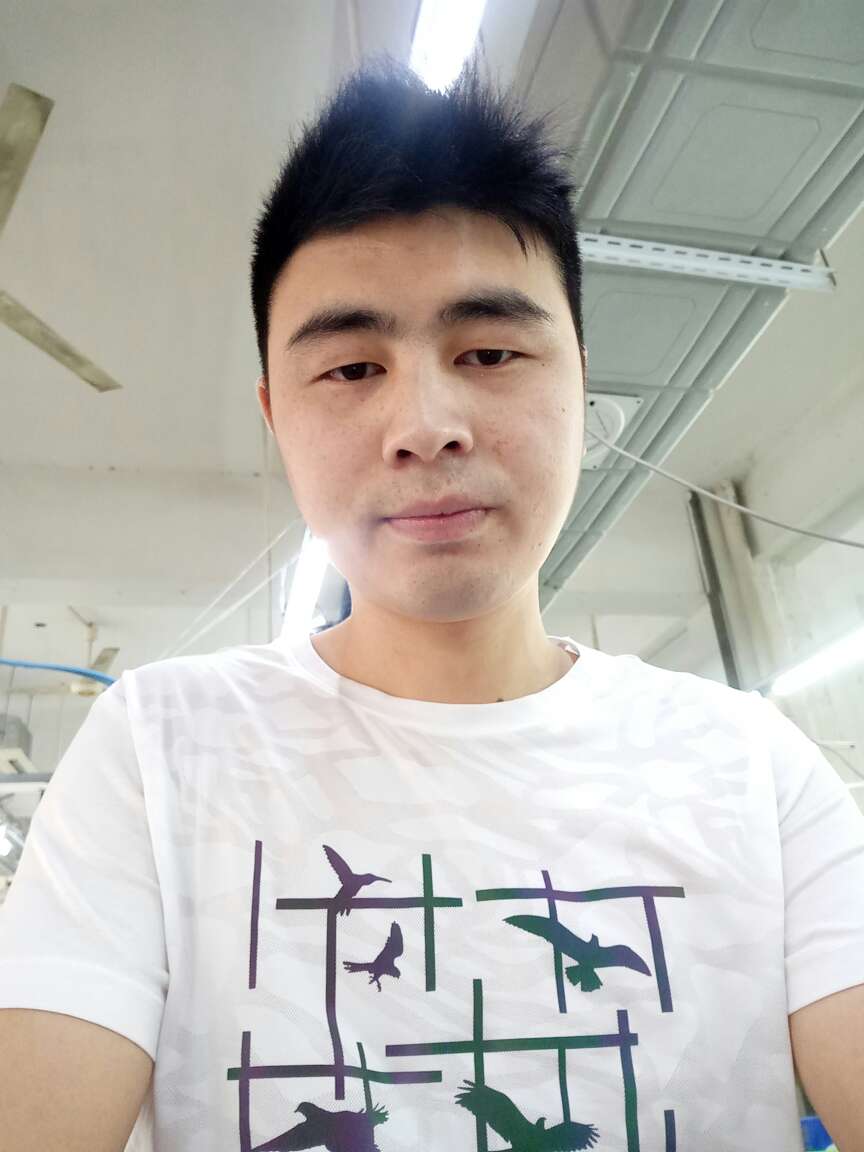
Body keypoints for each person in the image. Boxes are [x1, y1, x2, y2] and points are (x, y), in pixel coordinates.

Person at [2, 57, 864, 1152]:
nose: (425, 426)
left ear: (580, 378)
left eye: (489, 351)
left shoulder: (749, 764)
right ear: (276, 417)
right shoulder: (159, 750)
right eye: (350, 370)